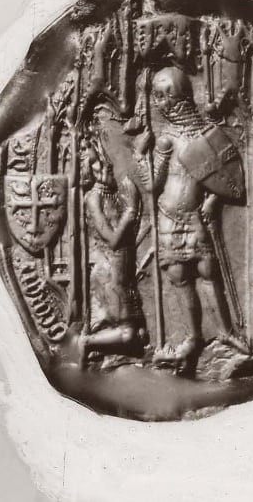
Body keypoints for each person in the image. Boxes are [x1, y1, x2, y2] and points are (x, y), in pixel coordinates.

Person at [134, 66, 245, 372]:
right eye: (155, 96)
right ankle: (194, 339)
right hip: (169, 217)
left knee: (208, 272)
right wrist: (140, 154)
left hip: (195, 217)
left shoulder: (208, 135)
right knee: (179, 277)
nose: (158, 103)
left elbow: (228, 180)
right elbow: (152, 184)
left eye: (162, 96)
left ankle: (227, 333)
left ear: (178, 96)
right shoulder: (165, 140)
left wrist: (212, 200)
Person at [78, 137, 146, 366]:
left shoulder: (113, 193)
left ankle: (103, 351)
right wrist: (130, 212)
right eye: (100, 165)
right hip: (110, 274)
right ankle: (87, 343)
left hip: (124, 273)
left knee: (140, 336)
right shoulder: (93, 198)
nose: (107, 168)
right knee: (128, 334)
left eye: (107, 164)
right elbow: (113, 240)